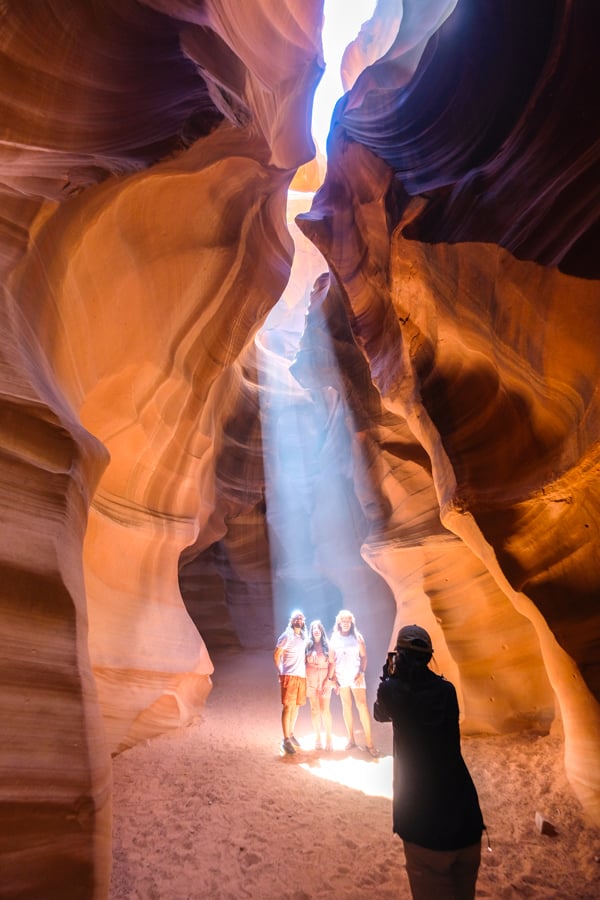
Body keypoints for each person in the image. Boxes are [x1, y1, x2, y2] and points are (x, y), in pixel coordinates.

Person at [374, 624, 485, 900]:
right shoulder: (447, 691)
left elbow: (380, 713)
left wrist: (387, 677)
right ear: (428, 656)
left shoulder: (392, 692)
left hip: (423, 822)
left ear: (399, 655)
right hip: (466, 818)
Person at [327, 609, 378, 756]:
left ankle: (370, 743)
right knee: (346, 706)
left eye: (348, 621)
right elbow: (332, 661)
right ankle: (351, 739)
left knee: (362, 707)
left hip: (357, 677)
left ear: (351, 622)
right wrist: (332, 679)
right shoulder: (334, 639)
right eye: (343, 621)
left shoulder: (357, 637)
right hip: (341, 677)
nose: (345, 623)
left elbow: (364, 657)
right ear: (339, 622)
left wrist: (362, 672)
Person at [273, 609, 308, 755]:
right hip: (289, 675)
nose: (298, 620)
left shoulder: (303, 636)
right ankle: (286, 739)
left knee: (296, 707)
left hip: (301, 676)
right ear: (291, 620)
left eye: (300, 618)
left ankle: (291, 733)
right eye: (296, 618)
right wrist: (280, 671)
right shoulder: (286, 635)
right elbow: (276, 654)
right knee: (288, 707)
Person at [305, 620, 334, 751]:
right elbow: (302, 662)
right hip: (311, 679)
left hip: (324, 679)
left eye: (318, 628)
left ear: (321, 631)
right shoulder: (308, 645)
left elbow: (332, 663)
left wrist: (329, 679)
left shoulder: (328, 645)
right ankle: (317, 737)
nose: (316, 630)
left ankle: (328, 737)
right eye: (313, 628)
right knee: (314, 709)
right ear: (311, 632)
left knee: (325, 710)